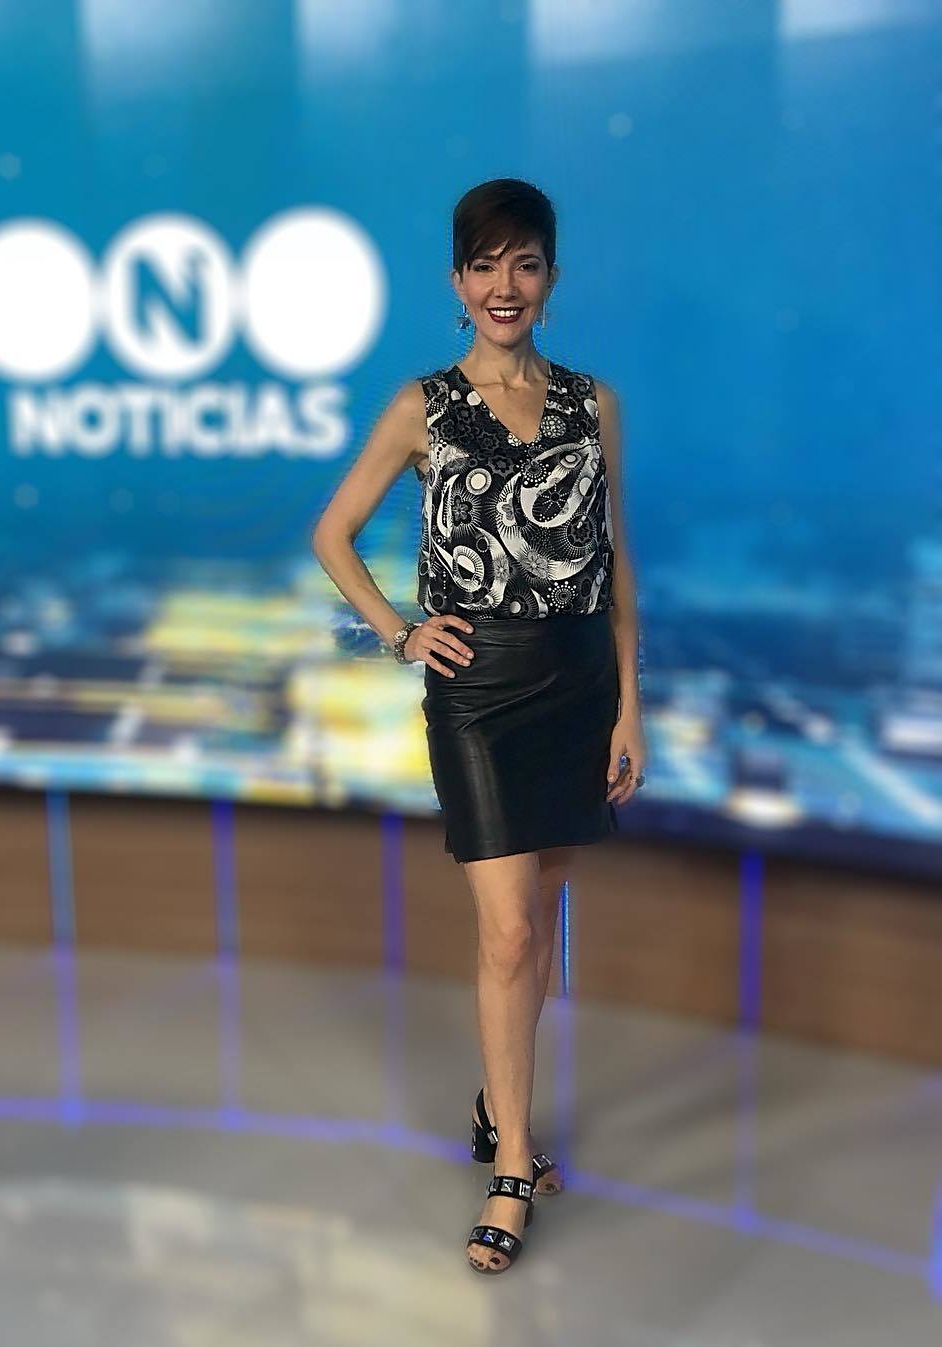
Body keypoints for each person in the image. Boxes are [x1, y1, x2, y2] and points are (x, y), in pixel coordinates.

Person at [311, 177, 646, 1275]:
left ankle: (495, 1104)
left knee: (537, 929)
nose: (506, 285)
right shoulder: (424, 406)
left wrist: (629, 706)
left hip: (578, 685)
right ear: (457, 282)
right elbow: (333, 532)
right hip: (479, 694)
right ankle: (511, 1160)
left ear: (551, 278)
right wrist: (399, 632)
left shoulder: (593, 403)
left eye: (526, 263)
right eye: (486, 265)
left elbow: (615, 562)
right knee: (506, 933)